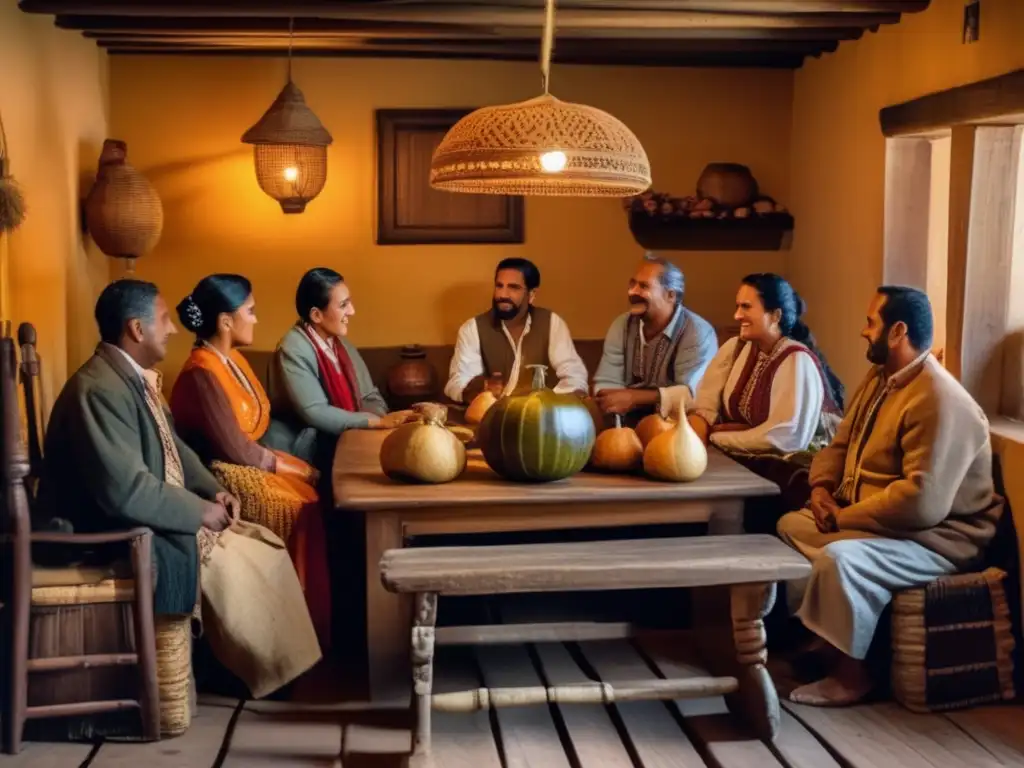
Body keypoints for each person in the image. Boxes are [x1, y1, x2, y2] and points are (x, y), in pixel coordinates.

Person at [36, 279, 320, 698]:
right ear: (137, 329)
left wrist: (211, 489)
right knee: (242, 563)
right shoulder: (98, 391)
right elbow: (125, 491)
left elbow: (176, 448)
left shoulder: (130, 378)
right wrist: (198, 513)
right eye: (164, 320)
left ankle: (276, 671)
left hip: (136, 512)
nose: (173, 329)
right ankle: (247, 674)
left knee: (265, 548)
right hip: (100, 532)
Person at [777, 286, 1000, 706]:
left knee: (842, 560)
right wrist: (822, 491)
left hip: (936, 539)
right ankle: (824, 642)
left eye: (870, 322)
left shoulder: (939, 398)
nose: (864, 332)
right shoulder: (881, 380)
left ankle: (850, 675)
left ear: (897, 331)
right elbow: (839, 446)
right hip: (876, 524)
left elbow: (921, 503)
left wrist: (843, 519)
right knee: (790, 526)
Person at [169, 274, 331, 649]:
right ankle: (287, 633)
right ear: (226, 321)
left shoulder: (232, 359)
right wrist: (291, 467)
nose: (256, 319)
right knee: (297, 503)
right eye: (251, 311)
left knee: (310, 487)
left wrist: (292, 465)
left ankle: (313, 629)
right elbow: (234, 449)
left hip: (247, 461)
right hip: (219, 473)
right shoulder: (201, 372)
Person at [265, 267, 411, 466]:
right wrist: (371, 422)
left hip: (347, 437)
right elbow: (314, 411)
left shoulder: (342, 345)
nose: (352, 311)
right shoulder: (293, 348)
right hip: (304, 447)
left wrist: (377, 423)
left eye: (349, 302)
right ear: (316, 315)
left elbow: (369, 395)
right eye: (343, 305)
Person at [688, 273, 844, 455]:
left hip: (787, 469)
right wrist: (699, 429)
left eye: (746, 307)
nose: (737, 315)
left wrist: (716, 437)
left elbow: (786, 436)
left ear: (775, 316)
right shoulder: (735, 349)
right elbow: (705, 404)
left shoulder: (797, 361)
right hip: (742, 459)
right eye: (737, 306)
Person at [592, 252, 718, 422]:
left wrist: (634, 398)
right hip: (624, 424)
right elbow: (607, 380)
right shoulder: (622, 325)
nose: (632, 292)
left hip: (676, 425)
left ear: (670, 296)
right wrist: (610, 402)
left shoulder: (698, 332)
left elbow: (692, 395)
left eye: (644, 286)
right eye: (632, 283)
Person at [444, 257, 588, 402]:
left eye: (513, 287)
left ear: (531, 295)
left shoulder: (551, 323)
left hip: (542, 417)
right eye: (499, 286)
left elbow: (575, 378)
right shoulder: (473, 328)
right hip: (492, 417)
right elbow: (456, 383)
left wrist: (546, 403)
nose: (502, 295)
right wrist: (479, 389)